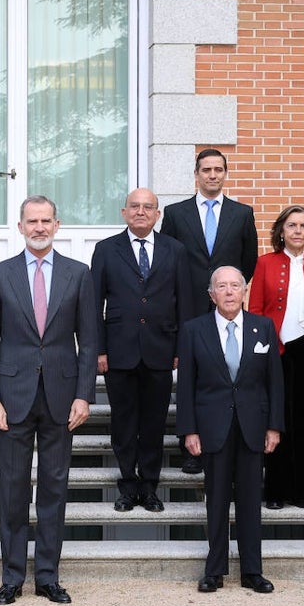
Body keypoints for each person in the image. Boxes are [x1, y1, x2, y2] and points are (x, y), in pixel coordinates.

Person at [0, 196, 97, 605]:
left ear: (57, 224)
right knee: (12, 488)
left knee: (54, 488)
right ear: (21, 226)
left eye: (46, 220)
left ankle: (47, 575)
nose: (40, 227)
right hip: (12, 398)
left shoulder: (79, 274)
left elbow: (89, 341)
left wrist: (84, 395)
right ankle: (12, 576)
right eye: (33, 221)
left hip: (62, 398)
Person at [177, 266, 284, 595]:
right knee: (217, 500)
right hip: (212, 427)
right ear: (211, 294)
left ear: (243, 291)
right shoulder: (194, 330)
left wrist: (274, 427)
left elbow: (274, 383)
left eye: (234, 286)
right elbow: (186, 386)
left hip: (253, 426)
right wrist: (189, 431)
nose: (228, 292)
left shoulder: (263, 327)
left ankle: (253, 571)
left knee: (251, 502)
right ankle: (215, 570)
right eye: (221, 286)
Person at [91, 188, 191, 512]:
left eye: (148, 207)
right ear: (124, 212)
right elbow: (94, 306)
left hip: (160, 350)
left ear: (157, 214)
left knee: (153, 423)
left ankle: (149, 487)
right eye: (134, 206)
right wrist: (99, 351)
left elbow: (184, 304)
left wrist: (180, 348)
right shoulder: (106, 250)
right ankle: (127, 486)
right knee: (123, 423)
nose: (141, 212)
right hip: (119, 351)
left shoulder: (175, 250)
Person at [158, 148, 258, 474]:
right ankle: (191, 449)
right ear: (196, 174)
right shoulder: (175, 213)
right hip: (189, 310)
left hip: (227, 310)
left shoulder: (242, 214)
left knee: (224, 376)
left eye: (218, 169)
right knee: (191, 379)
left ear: (225, 173)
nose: (212, 175)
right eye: (206, 170)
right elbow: (167, 260)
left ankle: (223, 440)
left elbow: (249, 262)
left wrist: (225, 292)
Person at [248, 206, 304, 510]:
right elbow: (257, 310)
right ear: (281, 231)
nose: (298, 231)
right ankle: (275, 491)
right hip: (276, 350)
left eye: (303, 226)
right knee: (277, 419)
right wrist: (259, 350)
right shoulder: (265, 263)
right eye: (292, 225)